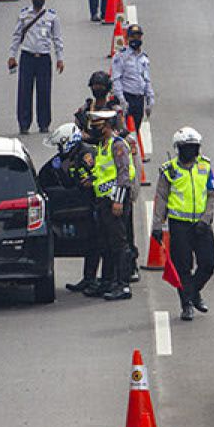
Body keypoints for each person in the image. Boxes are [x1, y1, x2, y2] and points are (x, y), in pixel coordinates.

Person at [151, 127, 214, 321]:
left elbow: (212, 195)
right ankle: (186, 304)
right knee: (183, 266)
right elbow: (161, 198)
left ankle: (193, 292)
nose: (191, 151)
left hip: (201, 224)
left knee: (210, 260)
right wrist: (157, 226)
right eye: (186, 148)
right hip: (179, 225)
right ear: (178, 149)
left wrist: (206, 220)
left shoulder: (205, 167)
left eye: (194, 147)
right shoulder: (169, 170)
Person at [38, 123, 102, 294]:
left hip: (96, 203)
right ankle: (88, 278)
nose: (59, 149)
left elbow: (93, 179)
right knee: (90, 242)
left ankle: (108, 279)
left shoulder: (87, 155)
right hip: (84, 205)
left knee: (98, 243)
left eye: (60, 145)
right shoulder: (66, 157)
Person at [89, 110, 136, 300]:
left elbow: (124, 174)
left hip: (115, 200)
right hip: (103, 201)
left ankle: (123, 285)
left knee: (119, 243)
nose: (94, 129)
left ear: (108, 126)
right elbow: (104, 173)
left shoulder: (118, 145)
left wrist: (117, 200)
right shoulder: (103, 146)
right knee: (106, 244)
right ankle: (107, 281)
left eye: (98, 125)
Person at [8, 0, 65, 134]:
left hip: (44, 58)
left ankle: (44, 123)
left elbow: (57, 39)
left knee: (44, 92)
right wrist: (12, 56)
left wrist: (60, 58)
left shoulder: (52, 16)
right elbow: (16, 36)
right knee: (24, 92)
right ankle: (24, 124)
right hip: (27, 57)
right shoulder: (24, 15)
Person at [111, 24, 156, 129]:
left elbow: (146, 80)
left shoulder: (144, 58)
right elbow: (116, 79)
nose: (136, 39)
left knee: (136, 128)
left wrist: (150, 99)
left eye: (138, 36)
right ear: (127, 38)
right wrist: (122, 100)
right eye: (133, 36)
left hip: (139, 100)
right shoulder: (121, 56)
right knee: (125, 130)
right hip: (127, 97)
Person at [74, 70, 126, 136]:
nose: (97, 88)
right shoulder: (85, 108)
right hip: (88, 143)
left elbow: (122, 131)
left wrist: (112, 133)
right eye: (95, 86)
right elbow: (75, 129)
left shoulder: (115, 110)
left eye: (100, 86)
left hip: (108, 142)